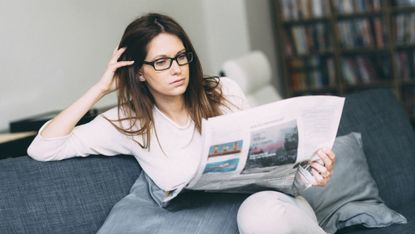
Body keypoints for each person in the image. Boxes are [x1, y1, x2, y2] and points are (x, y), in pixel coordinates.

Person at [27, 13, 335, 234]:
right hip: (214, 222)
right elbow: (43, 148)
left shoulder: (224, 92)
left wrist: (311, 173)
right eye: (161, 62)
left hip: (273, 210)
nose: (176, 69)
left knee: (260, 215)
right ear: (139, 72)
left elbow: (270, 159)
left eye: (181, 57)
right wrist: (99, 89)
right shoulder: (129, 122)